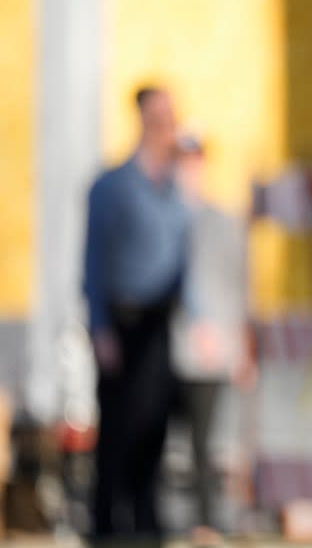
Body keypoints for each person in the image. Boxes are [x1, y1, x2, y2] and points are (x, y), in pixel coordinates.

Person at [82, 86, 189, 546]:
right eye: (159, 114)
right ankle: (106, 525)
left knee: (155, 426)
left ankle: (147, 523)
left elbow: (187, 262)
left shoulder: (176, 191)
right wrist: (100, 327)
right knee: (116, 430)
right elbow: (93, 263)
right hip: (122, 322)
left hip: (160, 323)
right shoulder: (111, 187)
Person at [170, 133, 257, 544]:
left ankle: (207, 521)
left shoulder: (223, 223)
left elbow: (238, 287)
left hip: (211, 350)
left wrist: (241, 348)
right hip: (164, 349)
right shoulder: (161, 218)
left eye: (194, 161)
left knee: (207, 442)